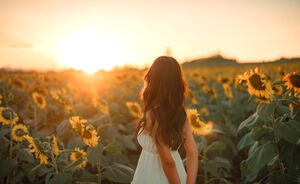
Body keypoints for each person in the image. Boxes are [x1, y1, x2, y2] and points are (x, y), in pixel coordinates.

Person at [131, 56, 198, 184]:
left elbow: (167, 161)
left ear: (152, 80)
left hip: (154, 177)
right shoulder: (181, 115)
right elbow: (193, 152)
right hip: (177, 175)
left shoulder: (153, 115)